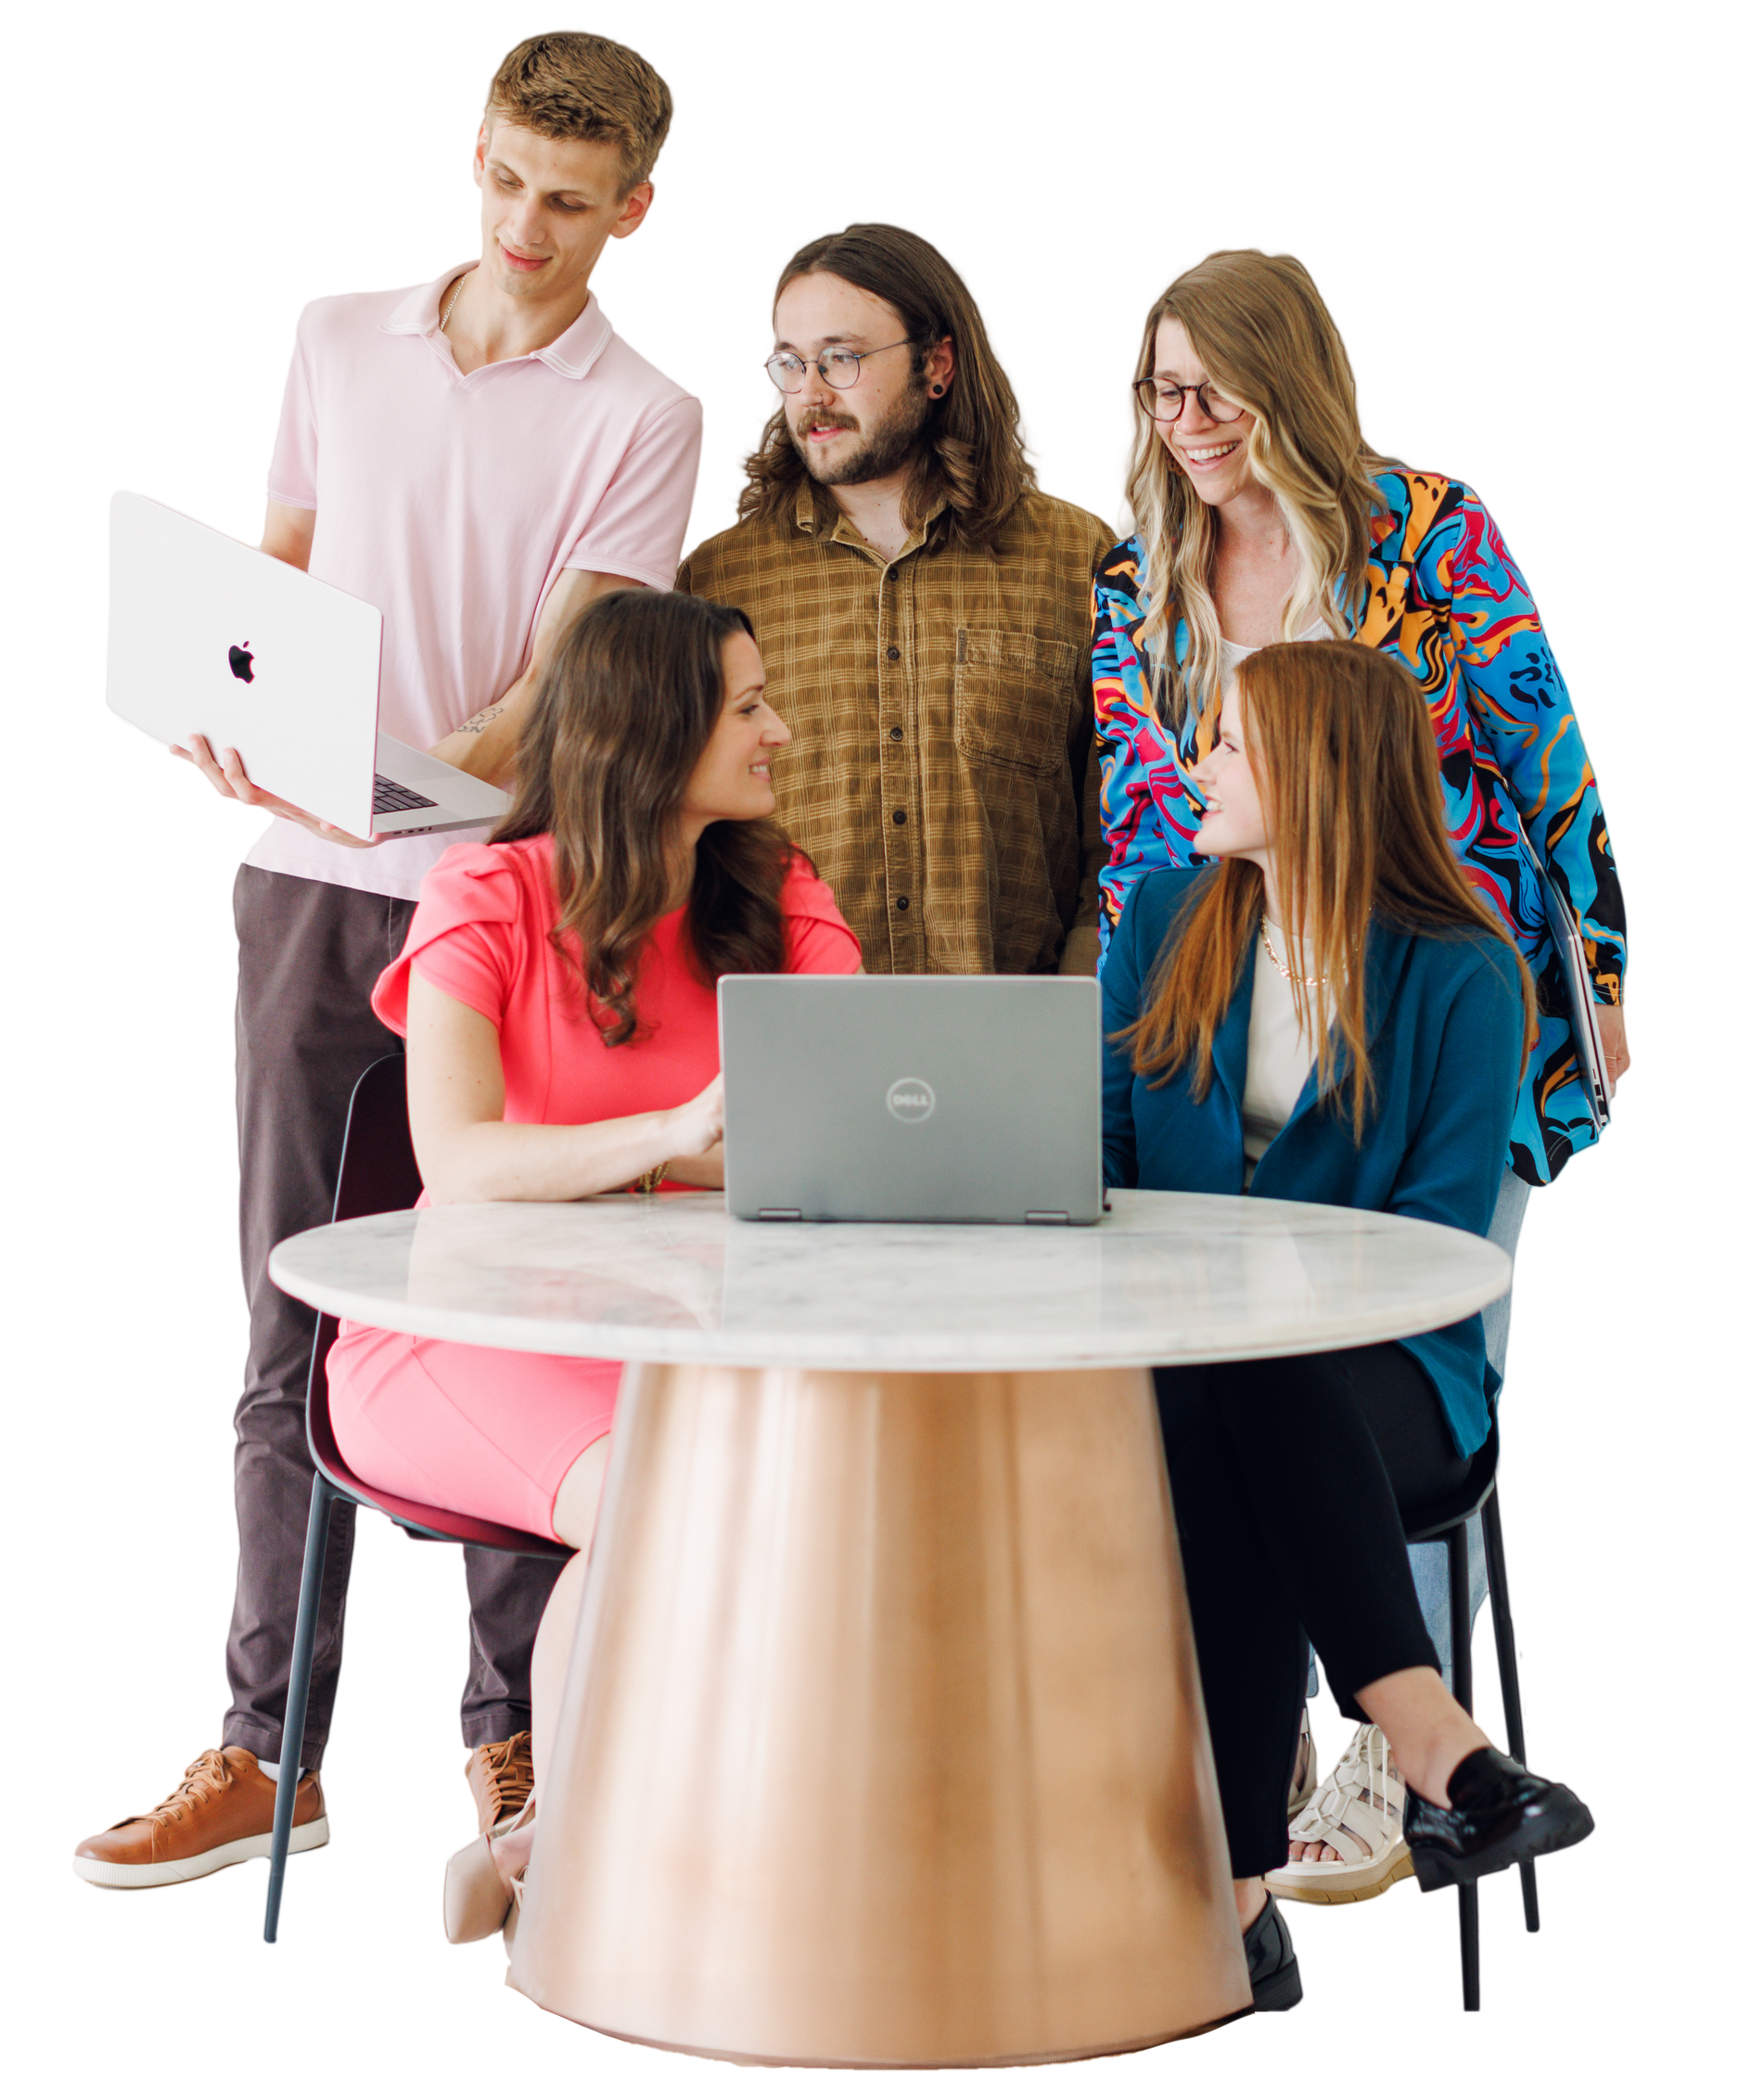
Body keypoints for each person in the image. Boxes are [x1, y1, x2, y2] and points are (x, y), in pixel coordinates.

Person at [72, 30, 706, 1893]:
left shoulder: (646, 413)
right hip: (300, 882)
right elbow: (275, 578)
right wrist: (227, 712)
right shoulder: (337, 335)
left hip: (502, 898)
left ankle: (512, 1750)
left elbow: (560, 690)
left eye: (569, 202)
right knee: (286, 1313)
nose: (525, 226)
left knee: (507, 1302)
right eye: (503, 180)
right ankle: (270, 1749)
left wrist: (408, 782)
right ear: (475, 151)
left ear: (636, 205)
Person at [1090, 244, 1630, 1906]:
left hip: (1422, 967)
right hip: (1224, 955)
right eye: (1159, 393)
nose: (1184, 423)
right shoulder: (1140, 567)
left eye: (1215, 392)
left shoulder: (1428, 530)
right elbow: (1133, 798)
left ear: (1289, 382)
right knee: (1242, 1371)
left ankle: (1313, 1806)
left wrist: (1598, 967)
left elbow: (1545, 755)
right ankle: (1420, 1761)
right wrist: (1141, 987)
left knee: (1333, 1350)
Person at [324, 588, 863, 1944]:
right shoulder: (487, 892)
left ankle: (545, 1842)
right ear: (649, 731)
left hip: (680, 1334)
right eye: (749, 707)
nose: (781, 733)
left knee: (816, 1505)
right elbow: (459, 1159)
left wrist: (609, 1162)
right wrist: (679, 1139)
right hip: (460, 1328)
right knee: (667, 1499)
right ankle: (595, 1858)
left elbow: (834, 1144)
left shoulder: (783, 896)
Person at [1102, 638, 1594, 2010]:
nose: (1196, 765)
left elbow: (1434, 1242)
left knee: (1245, 1396)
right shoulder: (1164, 917)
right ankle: (1440, 1755)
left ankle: (1241, 1901)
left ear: (1318, 772)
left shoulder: (1462, 971)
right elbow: (1096, 1159)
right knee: (1229, 1399)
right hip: (1189, 1353)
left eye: (1229, 744)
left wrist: (1242, 1300)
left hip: (1393, 1367)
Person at [677, 218, 1114, 978]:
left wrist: (1081, 1004)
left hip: (1020, 1028)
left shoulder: (1077, 557)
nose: (810, 395)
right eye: (791, 363)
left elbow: (1120, 826)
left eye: (841, 359)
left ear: (936, 363)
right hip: (793, 1027)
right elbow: (684, 833)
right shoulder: (714, 583)